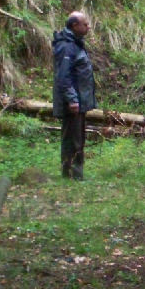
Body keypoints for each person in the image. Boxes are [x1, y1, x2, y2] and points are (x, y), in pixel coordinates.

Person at [52, 11, 96, 180]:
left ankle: (73, 173)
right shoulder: (67, 47)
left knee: (77, 137)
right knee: (73, 138)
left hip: (79, 100)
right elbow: (63, 77)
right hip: (73, 102)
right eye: (85, 24)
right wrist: (72, 99)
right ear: (74, 25)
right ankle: (73, 174)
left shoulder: (75, 44)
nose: (88, 27)